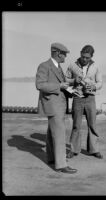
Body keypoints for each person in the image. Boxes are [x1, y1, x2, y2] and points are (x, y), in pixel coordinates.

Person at [35, 43, 77, 174]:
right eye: (64, 54)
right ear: (58, 53)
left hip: (59, 104)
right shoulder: (44, 66)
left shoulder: (58, 67)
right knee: (59, 134)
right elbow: (40, 85)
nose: (65, 56)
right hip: (53, 105)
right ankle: (61, 165)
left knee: (51, 132)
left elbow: (62, 84)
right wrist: (60, 86)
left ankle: (52, 158)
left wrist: (73, 84)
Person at [66, 45, 103, 159]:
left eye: (87, 57)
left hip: (90, 99)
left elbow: (100, 82)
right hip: (77, 98)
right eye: (83, 56)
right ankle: (73, 149)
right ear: (80, 53)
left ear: (91, 56)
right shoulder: (72, 65)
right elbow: (65, 80)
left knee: (92, 125)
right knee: (76, 125)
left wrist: (94, 86)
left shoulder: (96, 67)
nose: (84, 59)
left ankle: (94, 150)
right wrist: (73, 81)